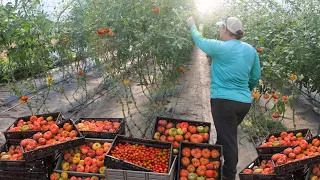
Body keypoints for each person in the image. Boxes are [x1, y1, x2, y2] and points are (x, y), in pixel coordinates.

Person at [186, 16, 261, 180]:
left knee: (229, 141)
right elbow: (256, 76)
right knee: (225, 133)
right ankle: (214, 156)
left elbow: (199, 40)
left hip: (223, 103)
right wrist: (245, 91)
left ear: (226, 30)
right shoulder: (250, 50)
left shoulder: (219, 47)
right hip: (243, 103)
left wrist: (192, 25)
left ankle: (229, 175)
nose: (220, 30)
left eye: (221, 27)